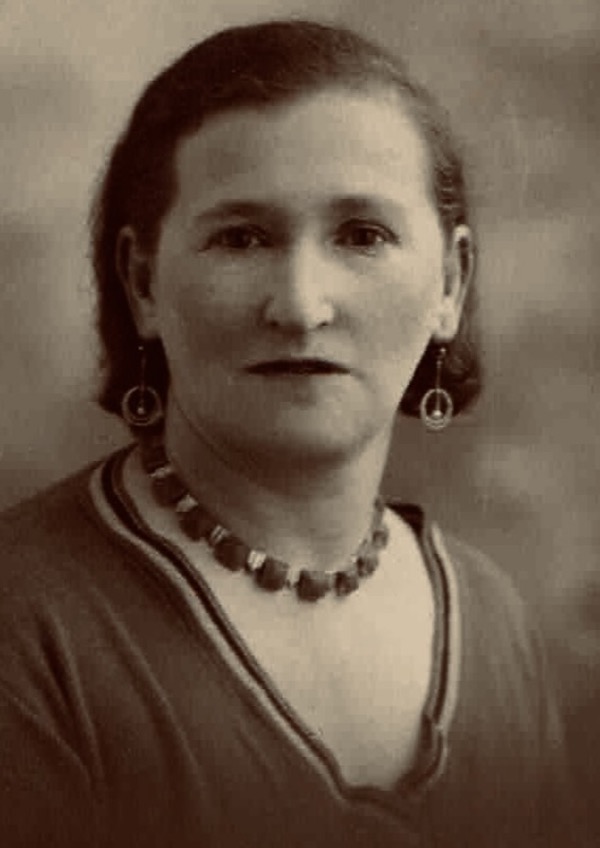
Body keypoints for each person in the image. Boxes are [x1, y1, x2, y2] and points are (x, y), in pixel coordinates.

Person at [0, 19, 580, 848]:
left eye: (363, 236)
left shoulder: (495, 621)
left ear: (450, 284)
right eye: (241, 238)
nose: (302, 306)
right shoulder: (25, 621)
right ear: (143, 284)